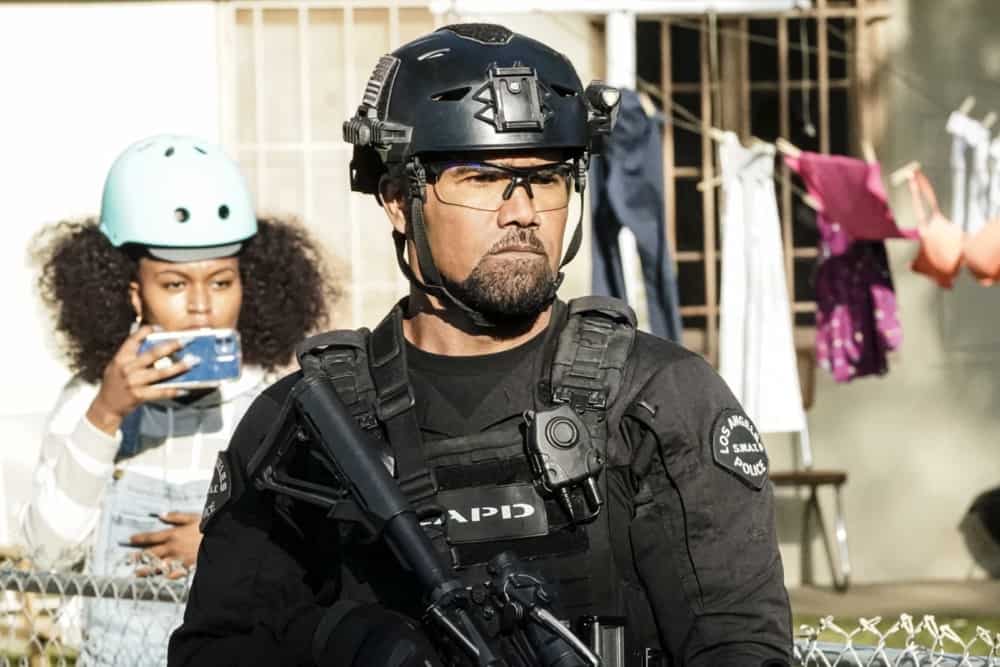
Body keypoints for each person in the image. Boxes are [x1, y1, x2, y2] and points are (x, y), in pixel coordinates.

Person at [170, 24, 792, 667]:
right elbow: (217, 650)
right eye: (481, 178)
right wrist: (348, 641)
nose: (522, 212)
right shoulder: (307, 422)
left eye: (546, 178)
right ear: (398, 200)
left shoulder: (658, 398)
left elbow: (742, 646)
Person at [24, 134, 335, 666]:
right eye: (173, 284)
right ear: (132, 292)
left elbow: (321, 563)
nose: (201, 307)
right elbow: (47, 554)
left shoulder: (279, 401)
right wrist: (105, 416)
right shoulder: (90, 398)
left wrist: (227, 545)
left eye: (221, 282)